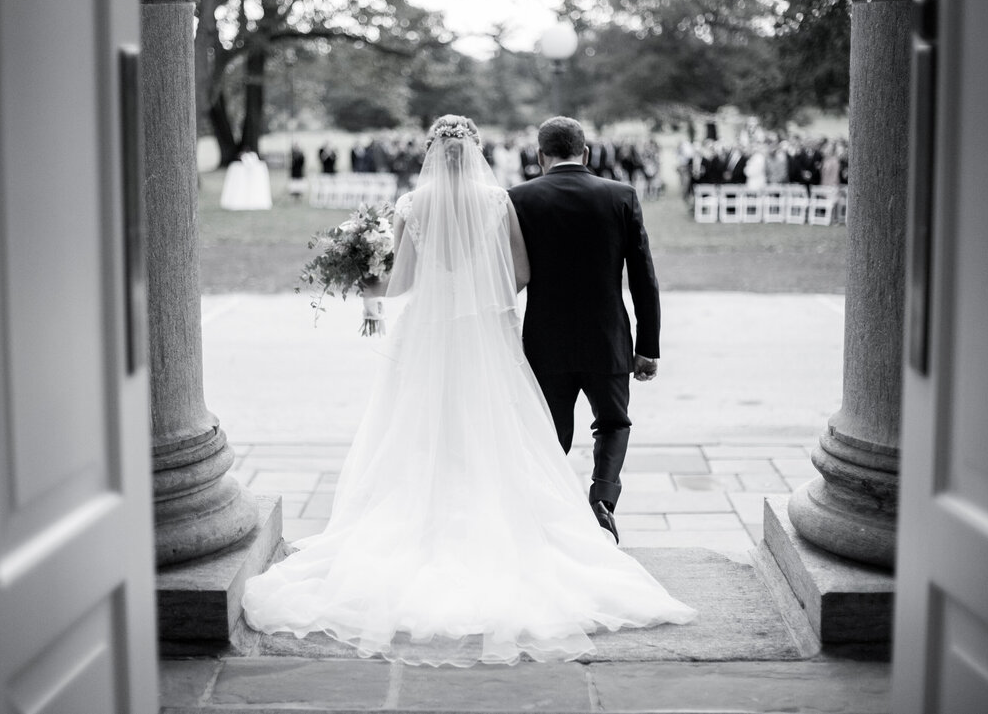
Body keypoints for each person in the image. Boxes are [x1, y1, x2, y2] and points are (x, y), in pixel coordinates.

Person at [241, 115, 696, 667]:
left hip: (430, 337)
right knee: (500, 430)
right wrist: (483, 292)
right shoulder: (497, 202)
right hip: (487, 333)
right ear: (475, 150)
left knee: (419, 431)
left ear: (433, 151)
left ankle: (425, 520)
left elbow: (403, 281)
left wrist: (368, 285)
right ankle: (567, 510)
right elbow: (520, 273)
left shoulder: (413, 204)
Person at [507, 117, 660, 545]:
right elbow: (643, 277)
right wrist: (647, 347)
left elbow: (506, 274)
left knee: (549, 433)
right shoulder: (620, 195)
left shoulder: (518, 198)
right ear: (586, 153)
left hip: (543, 340)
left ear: (540, 156)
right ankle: (602, 501)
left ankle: (552, 515)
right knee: (613, 423)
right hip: (607, 337)